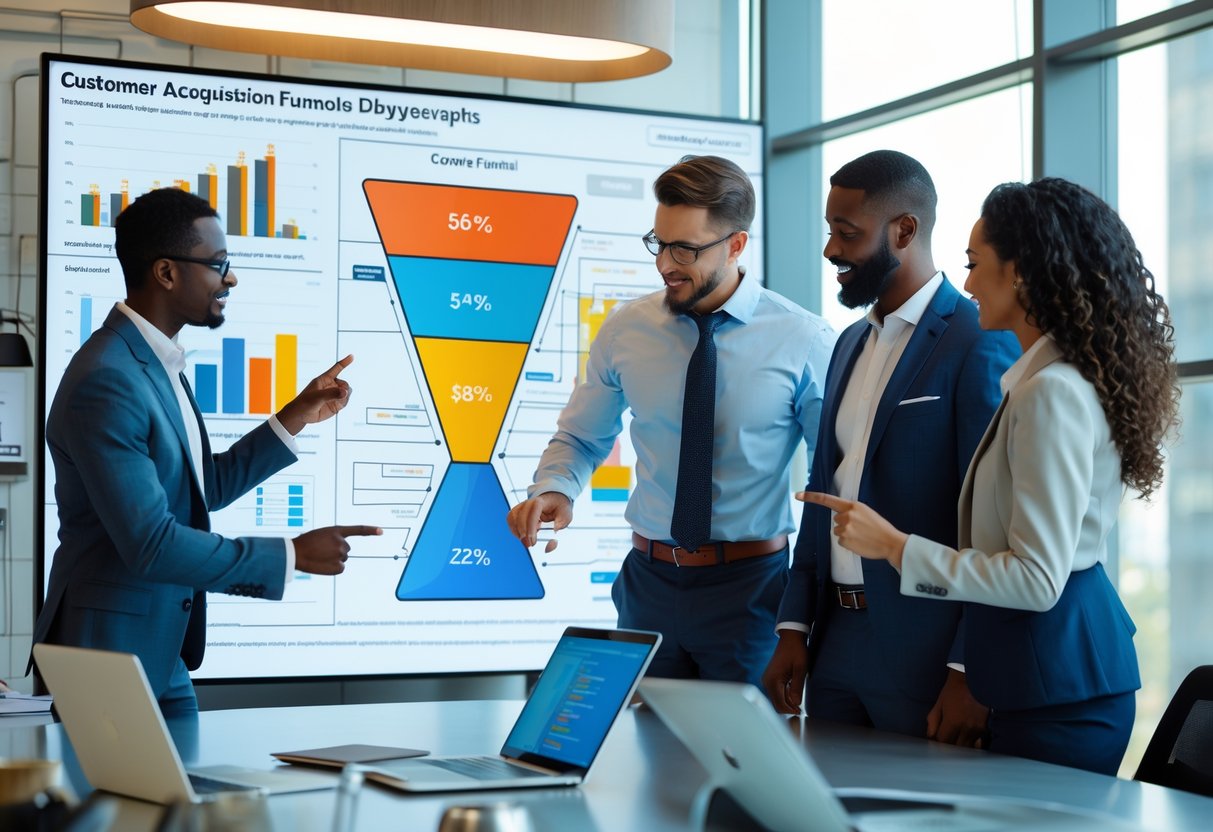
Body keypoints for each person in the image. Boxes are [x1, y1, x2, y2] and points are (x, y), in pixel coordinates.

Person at [800, 177, 1178, 774]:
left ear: (1022, 272)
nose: (968, 283)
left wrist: (896, 548)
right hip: (1039, 668)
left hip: (1058, 682)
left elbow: (1035, 578)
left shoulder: (1050, 392)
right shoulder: (1038, 380)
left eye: (977, 265)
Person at [32, 187, 381, 716]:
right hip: (107, 655)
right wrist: (290, 555)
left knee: (180, 797)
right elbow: (150, 542)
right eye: (219, 264)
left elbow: (201, 489)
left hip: (161, 649)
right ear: (167, 273)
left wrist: (295, 418)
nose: (231, 279)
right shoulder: (108, 378)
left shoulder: (153, 362)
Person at [506, 155, 835, 685]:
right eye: (659, 243)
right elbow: (581, 436)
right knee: (648, 754)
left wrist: (807, 611)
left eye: (686, 248)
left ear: (736, 245)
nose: (665, 264)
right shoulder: (625, 329)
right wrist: (555, 490)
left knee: (740, 760)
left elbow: (834, 482)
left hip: (752, 591)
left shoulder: (805, 339)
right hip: (647, 585)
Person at [762, 150, 1019, 743]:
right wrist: (793, 627)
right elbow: (822, 494)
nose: (831, 250)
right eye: (830, 232)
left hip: (924, 649)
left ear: (904, 230)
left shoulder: (977, 340)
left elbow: (993, 524)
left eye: (847, 234)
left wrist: (967, 667)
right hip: (833, 644)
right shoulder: (848, 343)